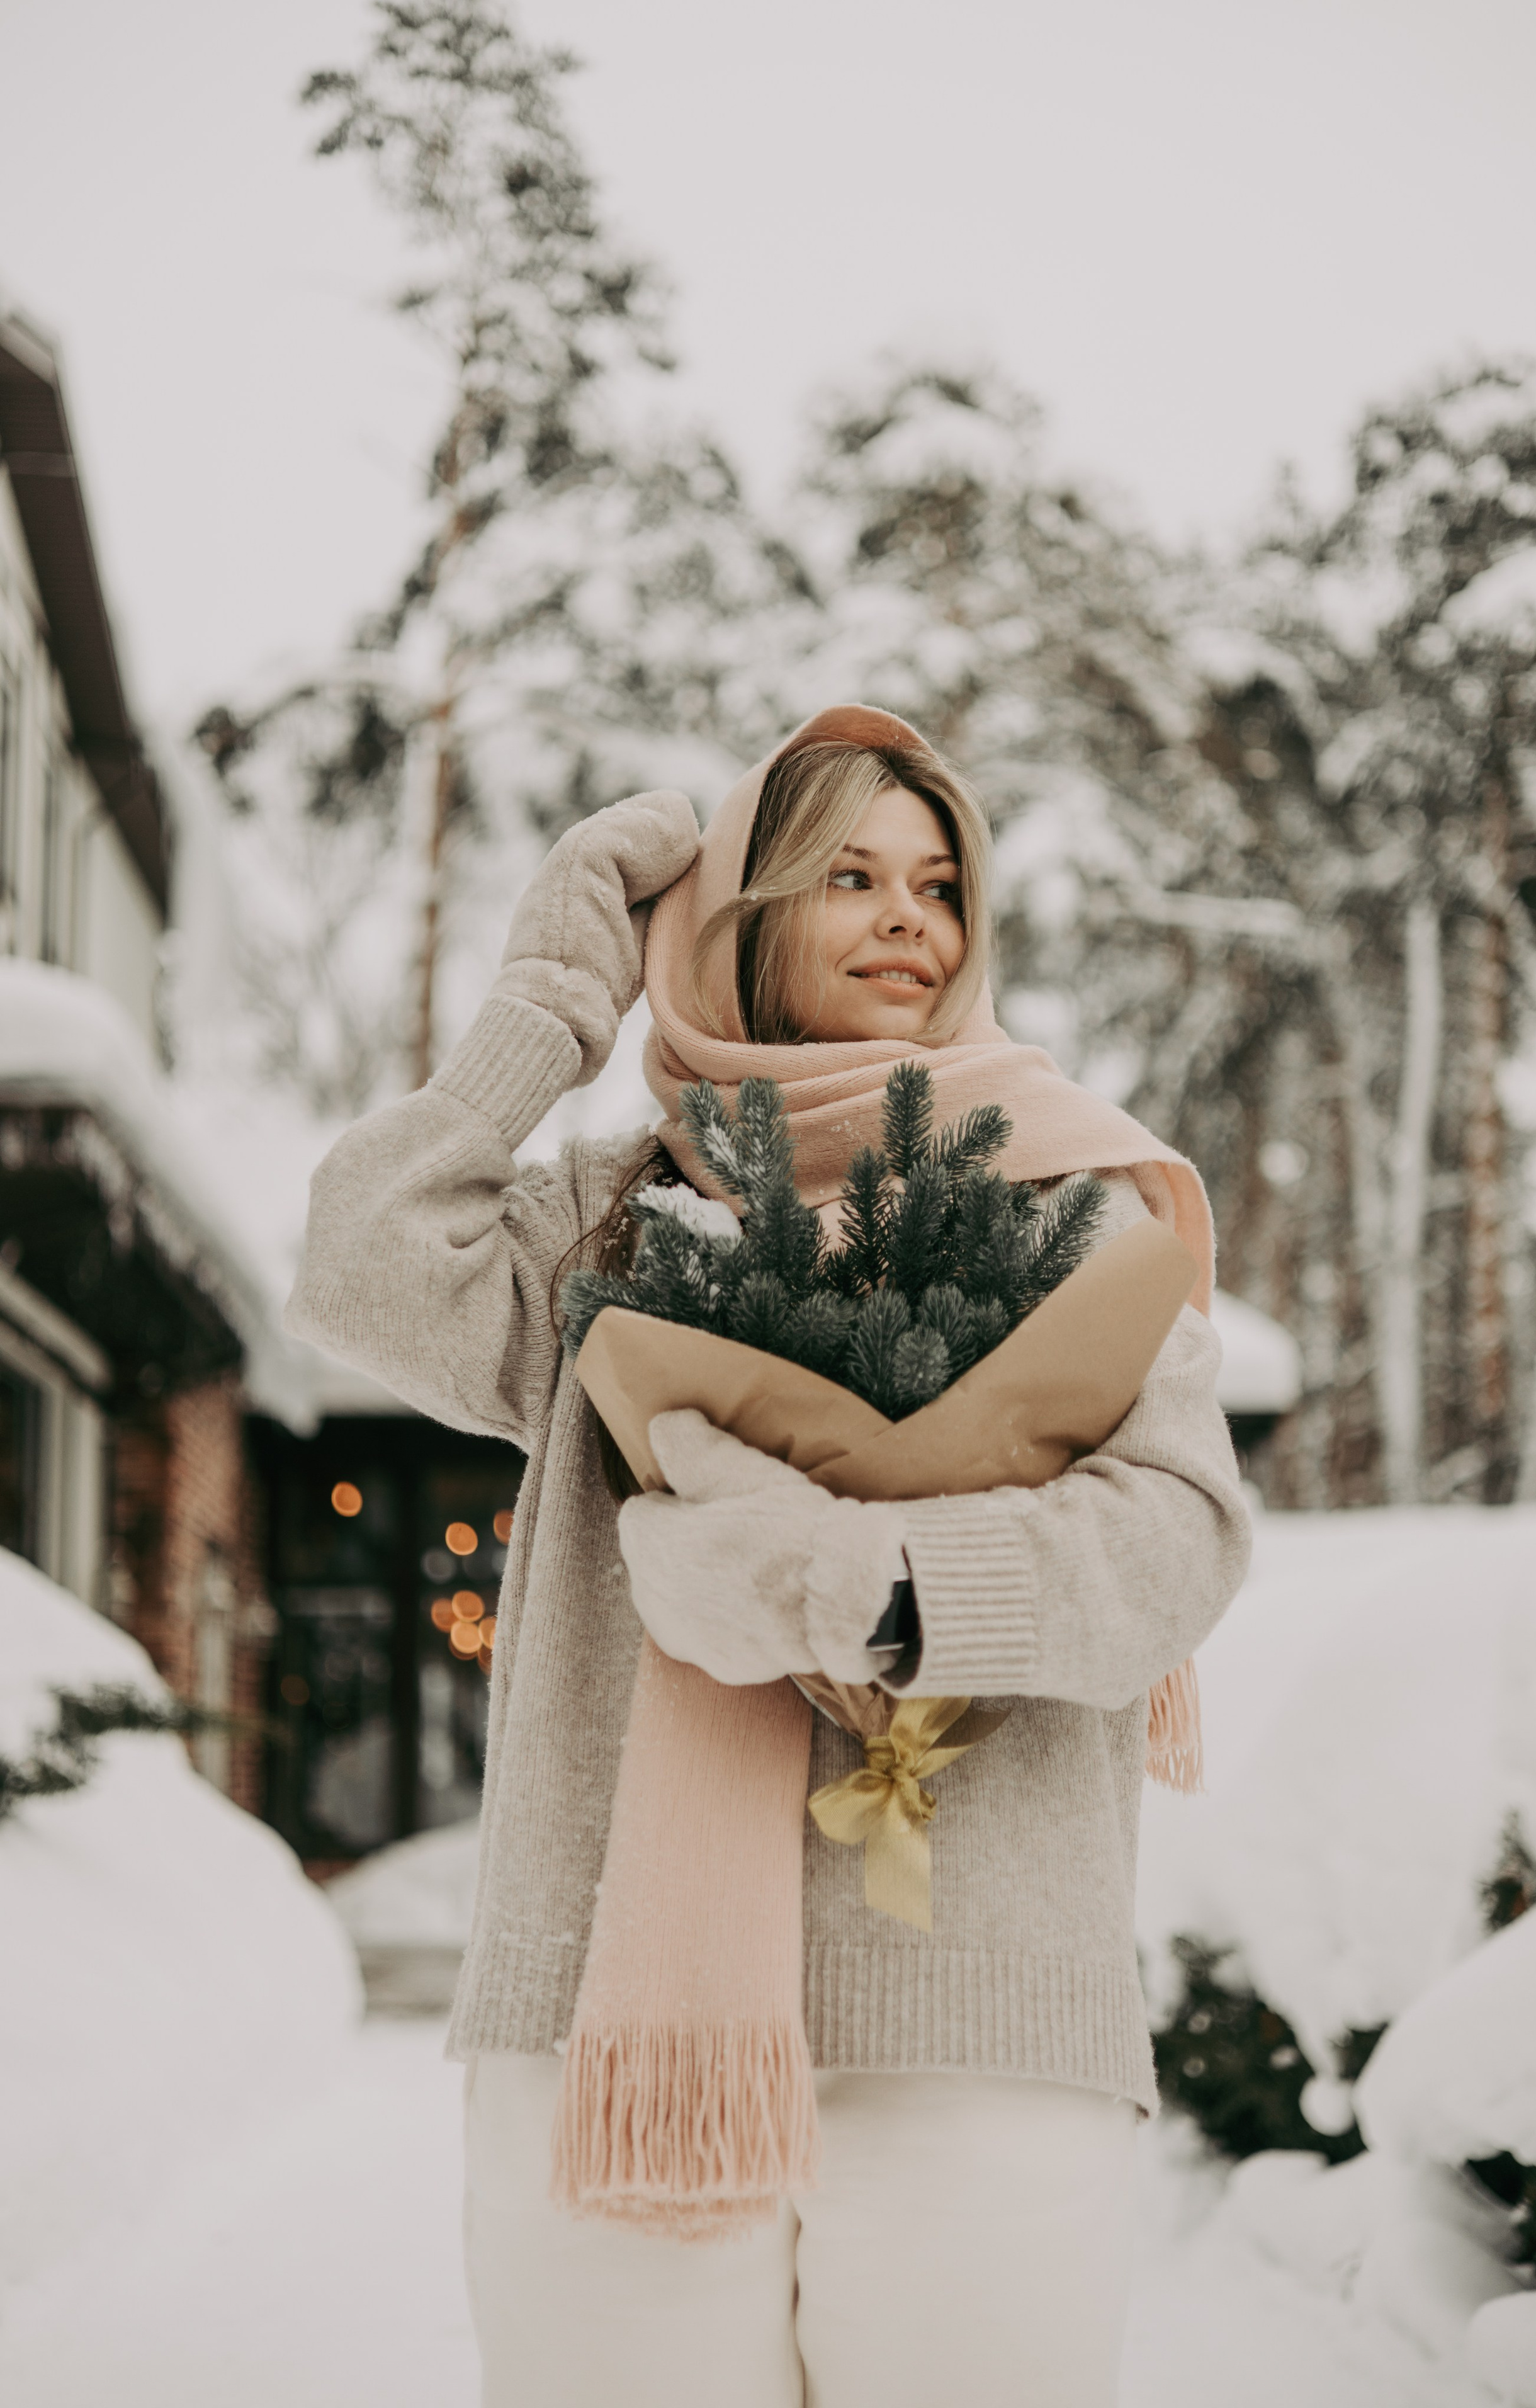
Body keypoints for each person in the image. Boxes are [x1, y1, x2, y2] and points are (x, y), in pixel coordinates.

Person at [289, 703, 1251, 2407]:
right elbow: (365, 1266)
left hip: (978, 2017)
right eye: (847, 877)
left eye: (940, 882)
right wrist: (551, 1002)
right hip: (615, 2026)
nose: (909, 918)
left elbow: (1175, 1542)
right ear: (741, 919)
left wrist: (877, 1589)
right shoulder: (609, 1224)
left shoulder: (1076, 1213)